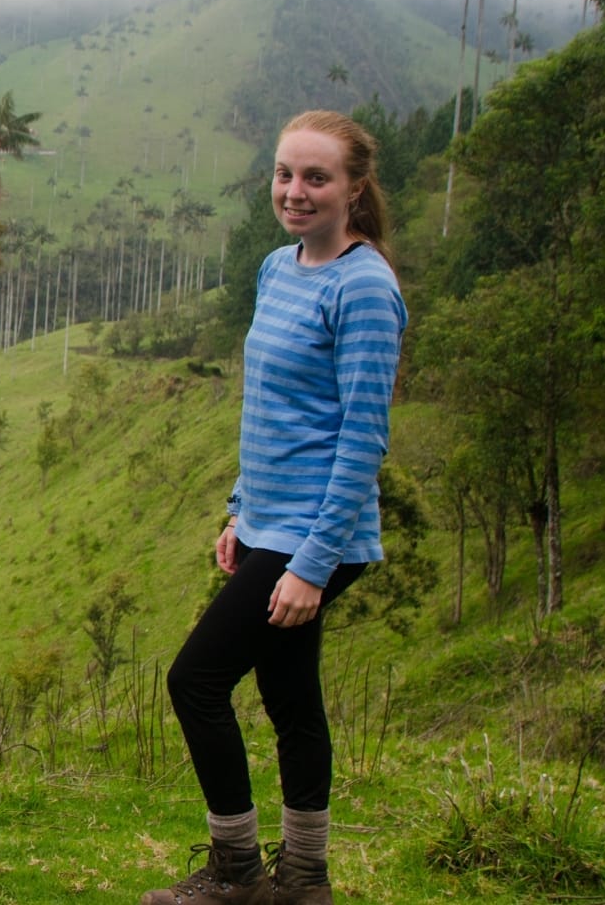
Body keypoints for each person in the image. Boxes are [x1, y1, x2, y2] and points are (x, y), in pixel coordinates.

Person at [140, 110, 407, 905]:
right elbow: (270, 413)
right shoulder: (277, 267)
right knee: (292, 700)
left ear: (355, 189)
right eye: (285, 174)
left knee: (195, 681)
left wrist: (308, 565)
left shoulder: (364, 288)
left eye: (316, 178)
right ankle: (301, 883)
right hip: (272, 524)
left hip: (318, 535)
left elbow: (362, 440)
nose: (295, 191)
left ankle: (235, 872)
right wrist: (238, 513)